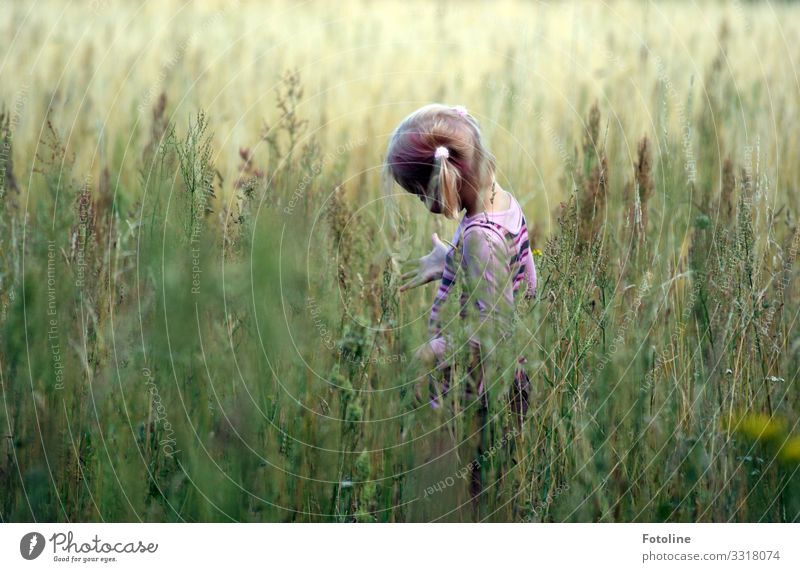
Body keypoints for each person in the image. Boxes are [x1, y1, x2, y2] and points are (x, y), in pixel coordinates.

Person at [382, 103, 537, 421]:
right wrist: (452, 262)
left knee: (472, 470)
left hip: (486, 394)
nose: (425, 204)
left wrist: (429, 352)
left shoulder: (481, 237)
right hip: (498, 381)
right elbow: (508, 277)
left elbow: (494, 331)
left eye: (420, 194)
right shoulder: (500, 201)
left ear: (443, 181)